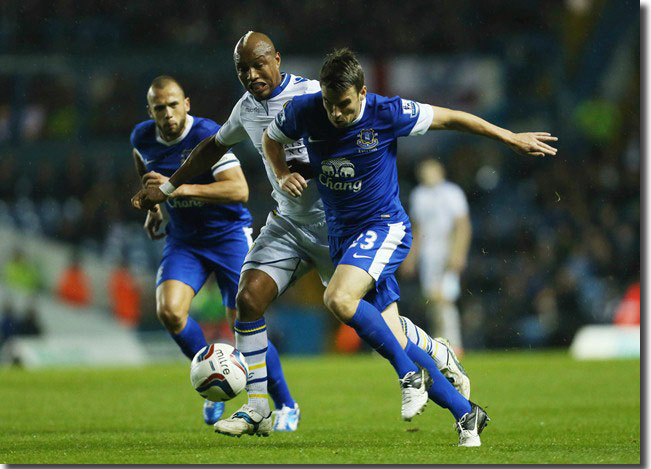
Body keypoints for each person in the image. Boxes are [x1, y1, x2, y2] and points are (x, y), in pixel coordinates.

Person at [131, 32, 471, 438]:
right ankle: (257, 406)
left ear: (277, 59)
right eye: (243, 70)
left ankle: (438, 359)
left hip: (338, 225)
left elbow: (361, 134)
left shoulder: (316, 96)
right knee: (248, 299)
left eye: (259, 65)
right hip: (289, 224)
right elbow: (212, 146)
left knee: (386, 330)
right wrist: (167, 189)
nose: (252, 75)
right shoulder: (245, 109)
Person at [262, 48, 557, 446]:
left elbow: (452, 117)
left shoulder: (388, 112)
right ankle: (466, 413)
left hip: (384, 228)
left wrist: (507, 137)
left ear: (363, 93)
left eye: (345, 105)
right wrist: (282, 172)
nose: (337, 114)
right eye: (331, 105)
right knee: (392, 336)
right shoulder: (305, 110)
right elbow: (270, 137)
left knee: (338, 298)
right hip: (343, 237)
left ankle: (409, 375)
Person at [130, 75, 299, 430]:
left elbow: (239, 190)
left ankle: (286, 403)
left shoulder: (205, 133)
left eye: (174, 105)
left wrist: (174, 190)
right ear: (151, 111)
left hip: (227, 236)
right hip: (184, 240)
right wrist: (153, 209)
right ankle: (215, 381)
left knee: (245, 324)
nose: (168, 113)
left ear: (186, 104)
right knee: (170, 313)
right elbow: (143, 165)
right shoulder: (142, 137)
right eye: (159, 108)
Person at [401, 158, 471, 355]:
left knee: (445, 297)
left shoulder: (452, 192)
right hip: (428, 254)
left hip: (447, 249)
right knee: (432, 299)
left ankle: (454, 343)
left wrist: (458, 253)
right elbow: (417, 229)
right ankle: (441, 343)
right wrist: (411, 258)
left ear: (441, 172)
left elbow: (462, 225)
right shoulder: (419, 195)